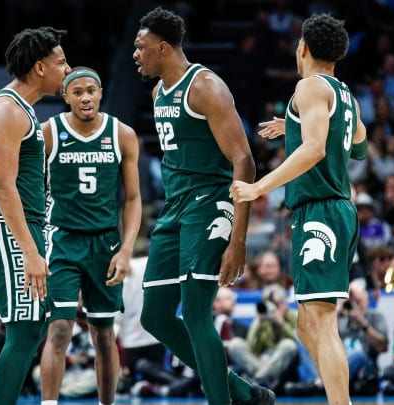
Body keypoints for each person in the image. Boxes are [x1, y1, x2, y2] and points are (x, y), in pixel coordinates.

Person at [133, 7, 274, 405]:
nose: (135, 54)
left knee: (196, 314)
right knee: (155, 317)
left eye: (141, 47)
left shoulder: (206, 86)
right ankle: (244, 394)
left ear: (163, 47)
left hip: (211, 202)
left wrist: (239, 240)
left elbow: (244, 160)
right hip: (175, 207)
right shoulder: (160, 91)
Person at [230, 13, 368, 405]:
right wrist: (294, 124)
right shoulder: (345, 95)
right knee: (308, 326)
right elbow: (359, 144)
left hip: (321, 211)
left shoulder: (309, 87)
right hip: (336, 209)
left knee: (321, 325)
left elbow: (315, 148)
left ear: (303, 47)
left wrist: (258, 187)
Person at [0, 26, 70, 405]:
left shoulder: (22, 109)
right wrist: (29, 251)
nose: (68, 69)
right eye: (61, 62)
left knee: (32, 328)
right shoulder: (6, 110)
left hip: (19, 229)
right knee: (26, 330)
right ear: (40, 68)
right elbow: (2, 187)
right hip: (10, 230)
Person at [38, 66, 142, 405]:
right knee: (60, 328)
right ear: (65, 96)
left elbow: (132, 199)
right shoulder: (48, 133)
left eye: (91, 90)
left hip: (105, 241)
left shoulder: (122, 133)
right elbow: (28, 191)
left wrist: (126, 250)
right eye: (78, 91)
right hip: (63, 240)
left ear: (100, 93)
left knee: (103, 333)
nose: (85, 97)